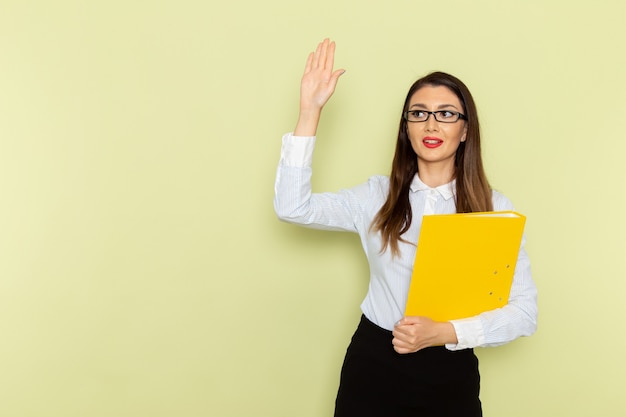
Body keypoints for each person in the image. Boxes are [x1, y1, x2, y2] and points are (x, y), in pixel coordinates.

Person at [274, 38, 537, 417]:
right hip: (373, 366)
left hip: (450, 370)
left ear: (465, 131)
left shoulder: (495, 209)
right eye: (419, 113)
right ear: (407, 128)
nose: (431, 124)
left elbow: (524, 312)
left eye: (446, 114)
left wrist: (446, 333)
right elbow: (292, 207)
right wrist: (309, 111)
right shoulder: (375, 196)